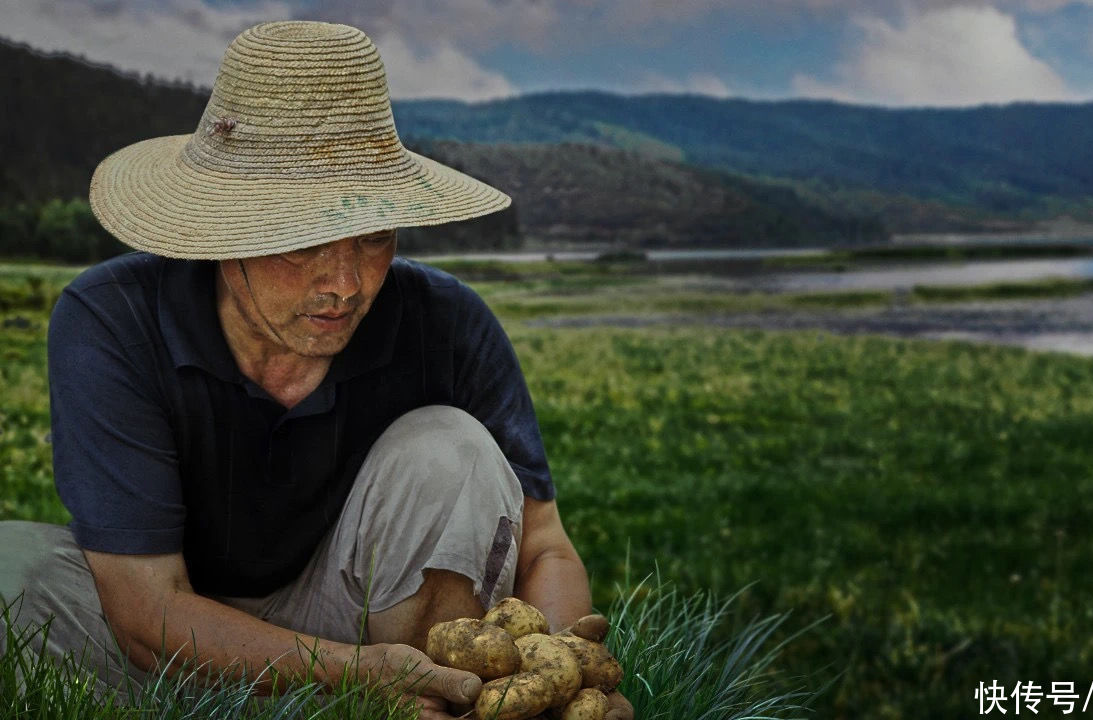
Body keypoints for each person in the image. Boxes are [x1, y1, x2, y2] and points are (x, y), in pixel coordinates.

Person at [0, 19, 632, 720]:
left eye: (372, 237)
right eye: (301, 242)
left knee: (451, 450)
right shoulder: (111, 318)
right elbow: (145, 608)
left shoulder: (447, 324)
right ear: (222, 229)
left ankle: (439, 705)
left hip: (367, 621)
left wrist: (560, 677)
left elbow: (545, 547)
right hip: (165, 631)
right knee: (8, 568)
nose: (346, 284)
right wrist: (350, 678)